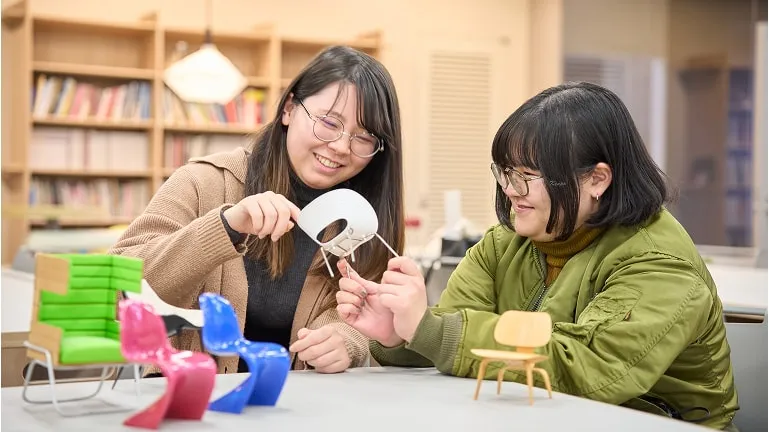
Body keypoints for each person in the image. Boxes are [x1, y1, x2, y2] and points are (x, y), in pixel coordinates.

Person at [336, 82, 738, 430]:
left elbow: (589, 368)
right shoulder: (505, 243)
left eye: (527, 176)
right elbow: (451, 335)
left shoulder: (659, 263)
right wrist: (402, 334)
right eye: (505, 172)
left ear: (597, 179)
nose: (510, 190)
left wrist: (430, 329)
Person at [109, 45, 405, 375]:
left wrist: (345, 339)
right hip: (191, 396)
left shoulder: (363, 220)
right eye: (328, 122)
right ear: (289, 109)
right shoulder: (203, 181)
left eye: (363, 138)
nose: (340, 146)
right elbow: (116, 290)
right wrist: (225, 227)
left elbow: (364, 314)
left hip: (301, 401)